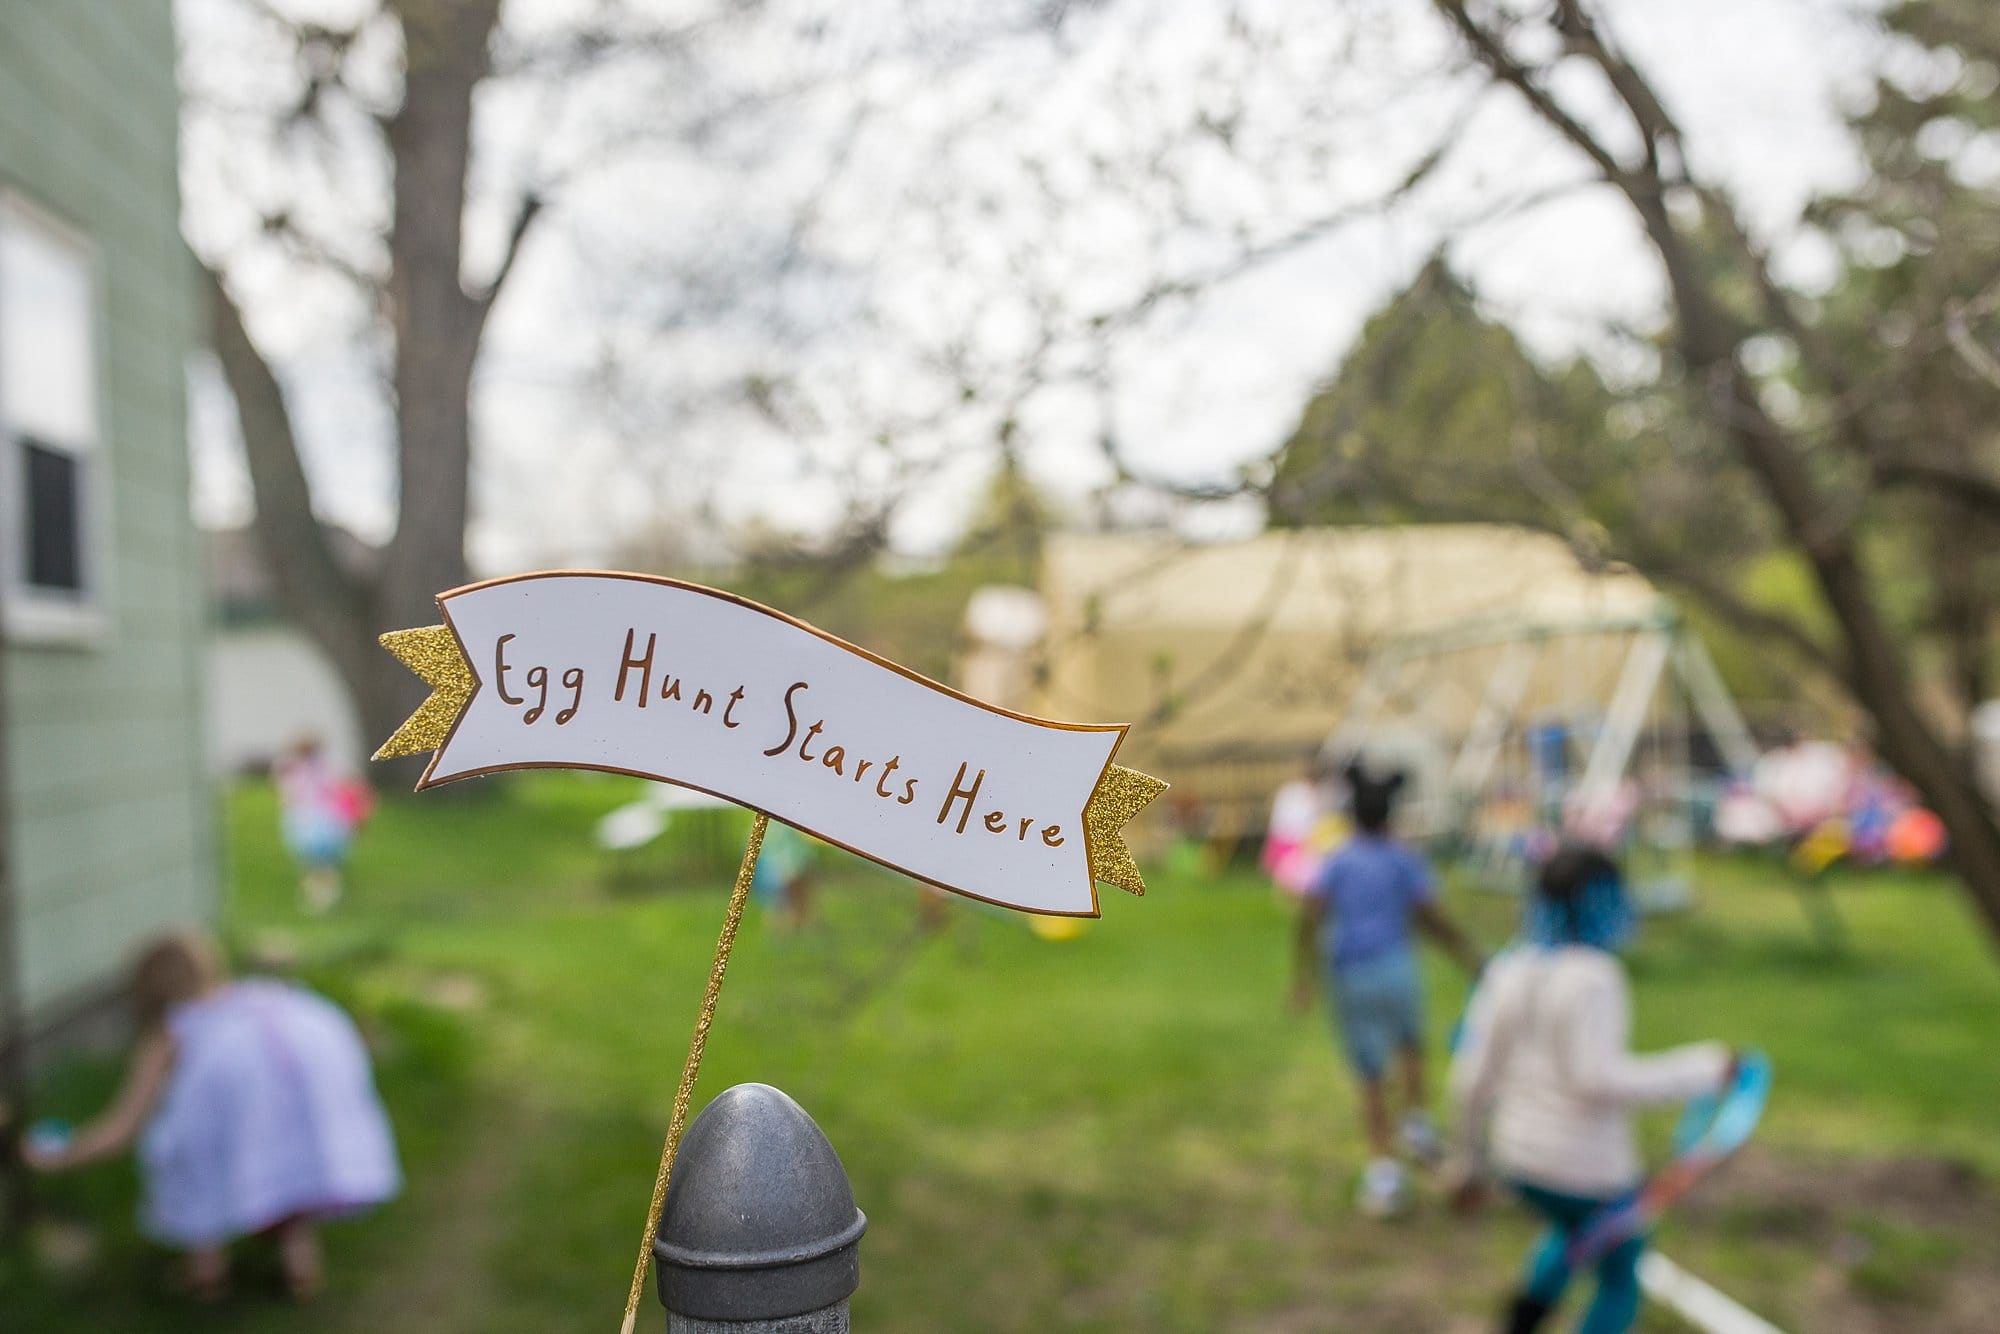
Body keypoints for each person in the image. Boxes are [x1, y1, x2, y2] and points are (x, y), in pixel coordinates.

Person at [1448, 845, 1734, 1334]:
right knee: (1620, 1274)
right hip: (1585, 1169)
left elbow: (1470, 1078)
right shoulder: (1594, 977)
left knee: (1570, 1233)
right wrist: (1703, 1069)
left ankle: (1521, 1323)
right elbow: (1597, 1079)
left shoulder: (1507, 969)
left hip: (1519, 1159)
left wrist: (1470, 1163)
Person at [24, 931, 401, 1301]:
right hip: (288, 1119)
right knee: (284, 1169)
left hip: (225, 1123)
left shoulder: (173, 1032)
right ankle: (300, 1269)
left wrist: (59, 1157)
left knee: (188, 1158)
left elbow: (122, 1127)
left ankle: (207, 1273)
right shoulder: (265, 1002)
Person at [1292, 760, 1483, 1217]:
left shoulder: (1336, 861)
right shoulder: (1403, 860)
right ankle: (1416, 1124)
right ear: (1391, 815)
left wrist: (1304, 976)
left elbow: (1310, 915)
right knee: (1411, 1048)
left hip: (1350, 973)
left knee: (1371, 1078)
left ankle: (1385, 1175)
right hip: (1397, 968)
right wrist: (1469, 956)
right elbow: (1430, 917)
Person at [274, 735, 365, 913]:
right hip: (327, 821)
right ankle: (325, 895)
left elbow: (287, 795)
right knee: (326, 863)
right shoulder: (329, 766)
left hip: (308, 822)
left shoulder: (295, 770)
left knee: (313, 864)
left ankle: (319, 897)